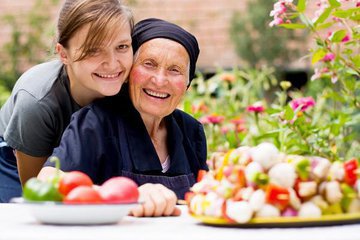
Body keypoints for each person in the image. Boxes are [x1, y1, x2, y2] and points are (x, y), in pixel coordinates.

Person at [38, 18, 209, 217]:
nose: (160, 80)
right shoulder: (96, 122)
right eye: (149, 64)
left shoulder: (191, 131)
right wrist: (124, 195)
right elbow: (47, 181)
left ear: (187, 83)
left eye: (175, 70)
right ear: (128, 72)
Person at [0, 0, 134, 202]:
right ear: (64, 54)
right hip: (14, 158)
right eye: (93, 50)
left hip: (80, 154)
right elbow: (38, 189)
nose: (113, 63)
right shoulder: (37, 101)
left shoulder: (131, 85)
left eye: (122, 46)